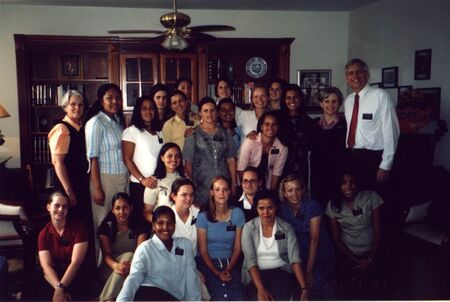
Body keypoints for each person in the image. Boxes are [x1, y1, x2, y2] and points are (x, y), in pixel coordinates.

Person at [116, 206, 201, 301]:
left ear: (175, 225)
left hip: (174, 298)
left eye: (170, 223)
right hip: (149, 294)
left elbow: (191, 279)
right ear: (153, 226)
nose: (165, 227)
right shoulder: (145, 248)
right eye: (160, 223)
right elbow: (134, 278)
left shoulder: (185, 245)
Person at [85, 83, 128, 257]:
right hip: (104, 179)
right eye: (109, 98)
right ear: (101, 101)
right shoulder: (96, 123)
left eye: (117, 97)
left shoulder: (117, 121)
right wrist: (97, 188)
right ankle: (101, 266)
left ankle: (119, 261)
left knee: (119, 222)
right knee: (103, 223)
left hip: (121, 177)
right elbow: (92, 157)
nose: (114, 101)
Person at [343, 58, 400, 191]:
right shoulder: (348, 101)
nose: (355, 76)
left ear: (366, 75)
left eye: (359, 71)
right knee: (357, 199)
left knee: (373, 201)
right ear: (346, 78)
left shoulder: (381, 96)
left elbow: (392, 132)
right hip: (351, 156)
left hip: (373, 159)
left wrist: (385, 165)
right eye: (350, 73)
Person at [241, 190, 308, 301]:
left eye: (270, 208)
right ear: (256, 209)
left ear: (276, 207)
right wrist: (261, 289)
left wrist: (304, 288)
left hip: (281, 272)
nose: (266, 212)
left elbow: (295, 259)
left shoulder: (286, 228)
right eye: (261, 208)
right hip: (255, 274)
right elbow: (250, 260)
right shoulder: (249, 228)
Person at [325, 173, 383, 298]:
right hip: (348, 253)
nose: (348, 186)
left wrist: (371, 257)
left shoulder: (370, 197)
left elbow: (378, 232)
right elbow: (336, 238)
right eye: (343, 183)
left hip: (372, 250)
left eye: (352, 182)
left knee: (376, 288)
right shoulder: (333, 205)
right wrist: (355, 260)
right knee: (350, 291)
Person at [279, 174, 336, 300]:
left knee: (315, 281)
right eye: (290, 190)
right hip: (297, 254)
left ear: (303, 190)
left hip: (319, 253)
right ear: (284, 193)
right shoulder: (283, 209)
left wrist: (309, 270)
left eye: (298, 189)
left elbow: (314, 240)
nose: (294, 193)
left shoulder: (312, 205)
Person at [196, 176, 246, 301]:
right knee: (218, 295)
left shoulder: (237, 213)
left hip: (232, 262)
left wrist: (228, 269)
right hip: (209, 263)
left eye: (225, 189)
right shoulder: (203, 216)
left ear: (230, 192)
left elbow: (237, 248)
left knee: (238, 296)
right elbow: (202, 250)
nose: (221, 193)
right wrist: (217, 272)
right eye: (217, 189)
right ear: (212, 193)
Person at [183, 97, 237, 209]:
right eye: (205, 111)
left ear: (217, 112)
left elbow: (231, 160)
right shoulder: (192, 134)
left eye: (212, 110)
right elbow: (188, 163)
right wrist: (190, 188)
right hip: (201, 185)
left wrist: (234, 183)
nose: (209, 114)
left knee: (223, 212)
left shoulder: (225, 132)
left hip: (223, 183)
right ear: (200, 113)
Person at [35, 192, 89, 301]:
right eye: (57, 205)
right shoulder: (43, 234)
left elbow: (76, 263)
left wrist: (60, 289)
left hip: (75, 274)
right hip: (55, 277)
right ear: (48, 207)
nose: (60, 209)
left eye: (64, 206)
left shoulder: (79, 228)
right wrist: (58, 288)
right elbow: (47, 266)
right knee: (37, 278)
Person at [97, 192, 148, 302]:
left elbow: (139, 254)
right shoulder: (105, 227)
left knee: (130, 256)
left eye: (125, 207)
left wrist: (128, 267)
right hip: (110, 268)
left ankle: (107, 299)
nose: (121, 212)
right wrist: (115, 266)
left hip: (133, 267)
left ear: (131, 208)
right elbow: (106, 254)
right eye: (118, 208)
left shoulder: (139, 226)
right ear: (113, 210)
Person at [48, 90, 90, 220]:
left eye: (81, 104)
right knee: (69, 222)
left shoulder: (82, 127)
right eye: (73, 104)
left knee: (81, 222)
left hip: (80, 182)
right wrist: (69, 191)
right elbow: (57, 163)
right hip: (68, 184)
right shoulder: (62, 128)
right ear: (65, 106)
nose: (77, 108)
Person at [122, 96, 162, 216]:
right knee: (142, 221)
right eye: (144, 108)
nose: (148, 111)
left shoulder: (159, 132)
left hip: (157, 183)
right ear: (138, 111)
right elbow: (127, 159)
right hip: (140, 185)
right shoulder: (131, 131)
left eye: (151, 108)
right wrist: (142, 179)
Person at [310, 87, 347, 208]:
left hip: (339, 172)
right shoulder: (313, 124)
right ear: (321, 103)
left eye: (334, 101)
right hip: (318, 174)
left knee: (338, 205)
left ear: (340, 103)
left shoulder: (346, 124)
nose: (330, 105)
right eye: (326, 101)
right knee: (319, 205)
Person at [238, 111, 288, 191]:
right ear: (261, 126)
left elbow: (276, 174)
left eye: (274, 124)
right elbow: (241, 168)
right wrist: (244, 189)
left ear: (278, 127)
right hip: (246, 182)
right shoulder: (250, 141)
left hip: (266, 182)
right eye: (267, 124)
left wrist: (272, 194)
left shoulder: (282, 148)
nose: (270, 127)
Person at [278, 83, 315, 182]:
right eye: (288, 98)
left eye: (295, 97)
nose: (292, 101)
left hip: (301, 168)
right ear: (284, 100)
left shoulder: (308, 121)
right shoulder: (278, 119)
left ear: (301, 99)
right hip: (281, 166)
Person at [143, 143, 184, 223]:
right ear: (162, 158)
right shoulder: (153, 181)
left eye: (177, 156)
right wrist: (159, 222)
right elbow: (147, 212)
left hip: (181, 225)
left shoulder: (184, 180)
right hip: (161, 227)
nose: (174, 159)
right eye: (169, 156)